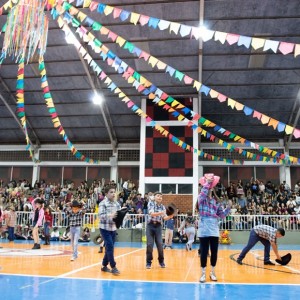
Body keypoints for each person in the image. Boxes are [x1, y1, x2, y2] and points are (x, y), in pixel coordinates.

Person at [198, 174, 232, 283]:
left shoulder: (216, 202)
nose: (209, 189)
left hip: (214, 230)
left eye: (211, 187)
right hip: (203, 229)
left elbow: (221, 215)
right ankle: (203, 273)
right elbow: (203, 194)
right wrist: (207, 182)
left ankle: (212, 272)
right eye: (207, 187)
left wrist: (228, 208)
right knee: (203, 252)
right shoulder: (201, 199)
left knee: (214, 252)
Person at [146, 191, 174, 269]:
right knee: (149, 245)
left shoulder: (162, 207)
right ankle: (148, 262)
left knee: (160, 245)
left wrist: (170, 216)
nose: (159, 197)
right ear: (154, 197)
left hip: (158, 226)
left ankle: (161, 261)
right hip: (150, 226)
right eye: (158, 196)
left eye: (161, 197)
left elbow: (164, 218)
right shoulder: (150, 203)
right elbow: (151, 214)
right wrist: (162, 212)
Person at [98, 186, 121, 275]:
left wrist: (124, 215)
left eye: (114, 192)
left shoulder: (116, 203)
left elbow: (119, 213)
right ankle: (113, 266)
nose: (113, 194)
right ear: (107, 194)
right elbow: (100, 216)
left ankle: (104, 265)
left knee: (108, 247)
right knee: (110, 246)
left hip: (113, 228)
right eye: (111, 192)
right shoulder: (102, 203)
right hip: (104, 228)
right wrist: (110, 215)